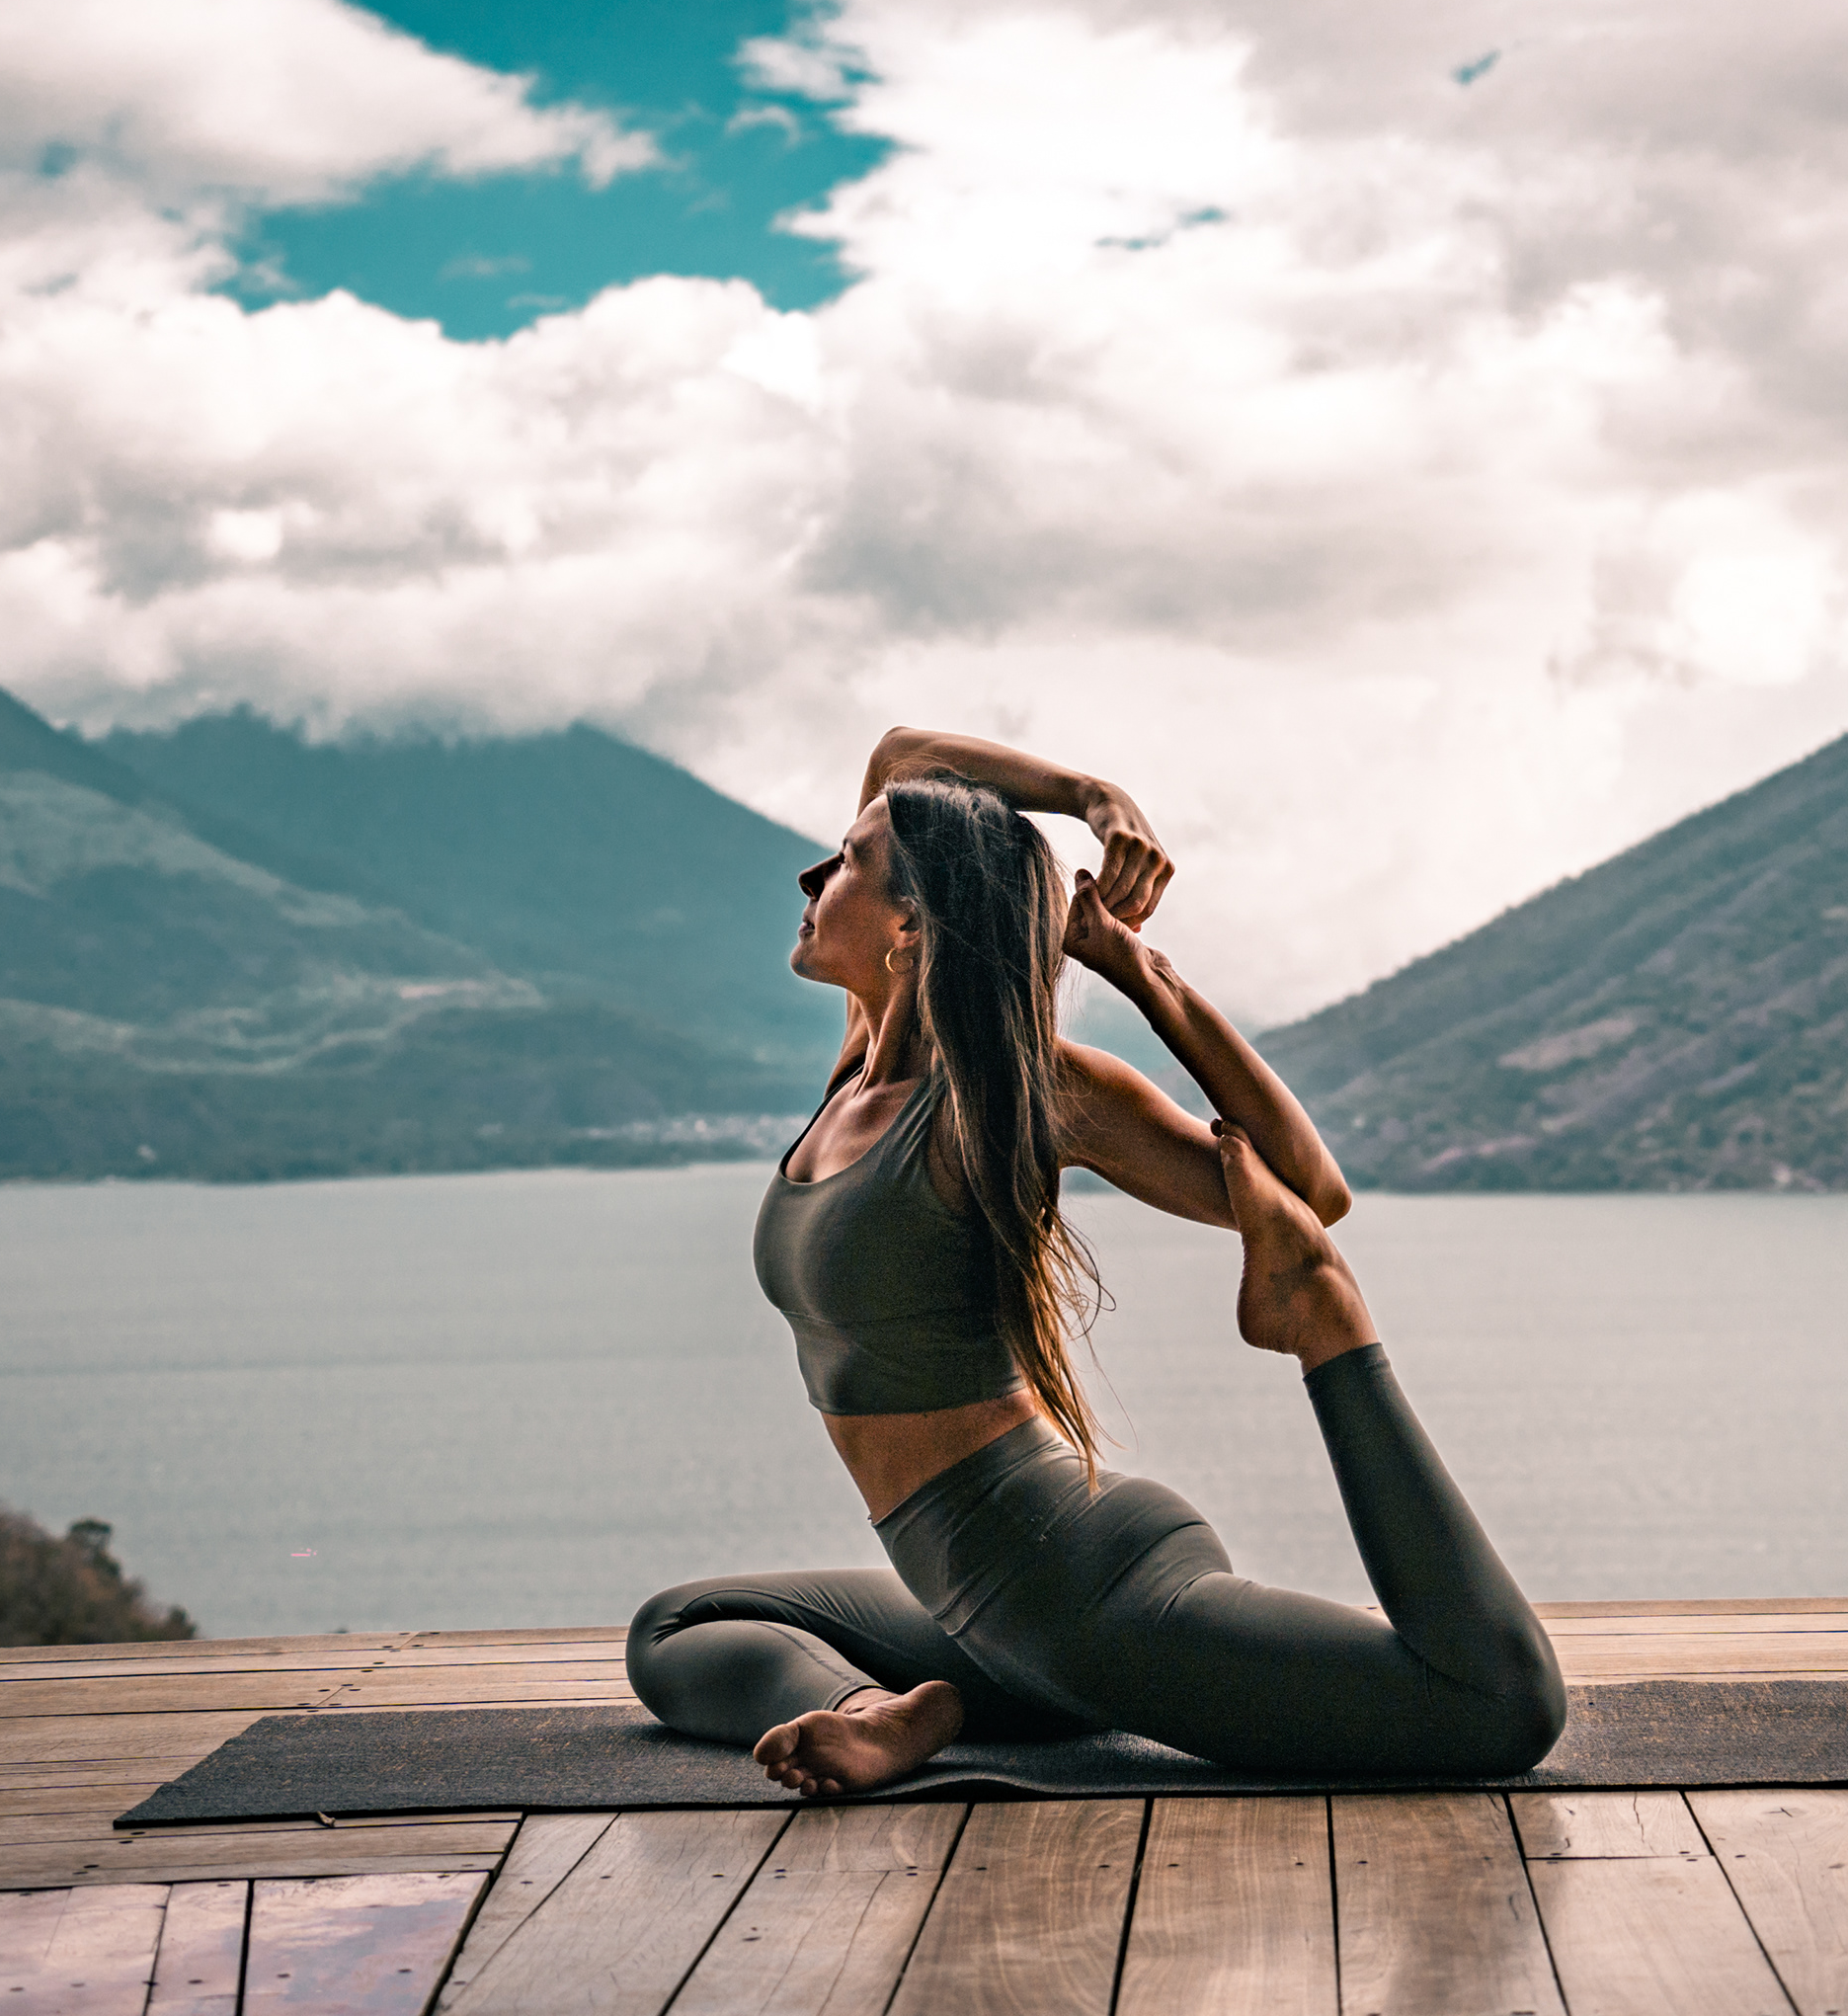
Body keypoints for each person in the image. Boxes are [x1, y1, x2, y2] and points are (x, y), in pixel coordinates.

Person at [624, 727, 1567, 1794]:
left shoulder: (1011, 1095)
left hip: (1070, 1584)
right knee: (679, 1625)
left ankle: (1327, 1322)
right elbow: (899, 755)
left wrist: (1138, 972)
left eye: (843, 861)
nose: (809, 874)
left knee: (1497, 1705)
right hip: (972, 1603)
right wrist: (1090, 793)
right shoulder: (860, 1063)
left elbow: (1313, 1189)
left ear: (908, 925)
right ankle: (877, 1715)